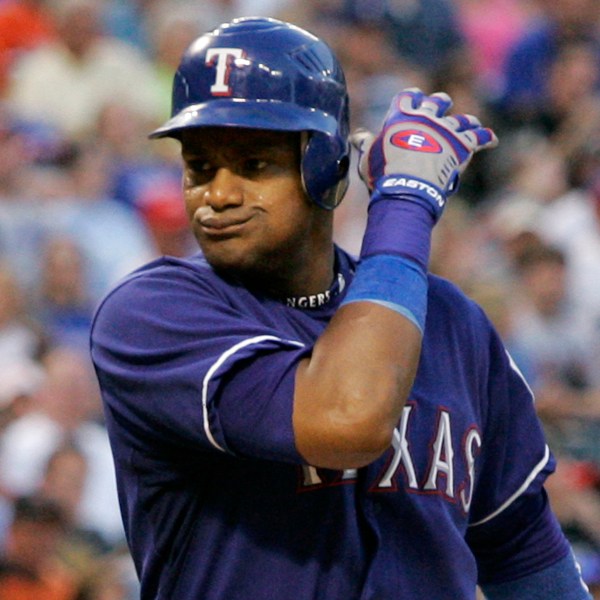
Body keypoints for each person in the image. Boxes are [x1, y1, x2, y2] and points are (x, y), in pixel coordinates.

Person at [89, 16, 591, 600]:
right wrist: (406, 203)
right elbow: (349, 419)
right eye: (200, 168)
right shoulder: (154, 314)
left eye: (253, 165)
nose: (218, 196)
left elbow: (521, 547)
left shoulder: (452, 324)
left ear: (325, 166)